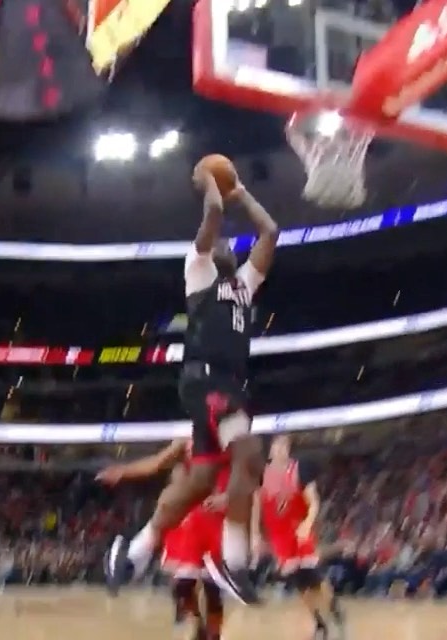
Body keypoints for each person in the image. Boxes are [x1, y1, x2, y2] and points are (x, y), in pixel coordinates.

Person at [105, 161, 278, 604]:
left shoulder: (243, 286)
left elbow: (270, 232)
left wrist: (241, 191)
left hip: (227, 384)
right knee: (249, 454)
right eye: (216, 241)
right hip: (206, 379)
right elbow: (213, 216)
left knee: (201, 479)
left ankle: (135, 551)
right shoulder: (198, 272)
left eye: (226, 243)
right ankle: (234, 563)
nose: (222, 243)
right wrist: (209, 184)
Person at [97, 440, 227, 640]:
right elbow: (156, 463)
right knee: (183, 585)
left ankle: (209, 632)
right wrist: (123, 472)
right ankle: (194, 625)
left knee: (211, 589)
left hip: (213, 515)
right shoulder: (187, 441)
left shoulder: (228, 442)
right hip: (185, 517)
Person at [258, 435, 344, 640]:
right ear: (270, 451)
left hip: (299, 532)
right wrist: (257, 535)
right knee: (300, 583)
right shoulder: (262, 475)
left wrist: (307, 523)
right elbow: (257, 505)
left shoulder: (299, 470)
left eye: (284, 446)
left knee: (314, 576)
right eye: (277, 446)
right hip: (279, 537)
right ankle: (319, 622)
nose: (280, 450)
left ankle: (334, 609)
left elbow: (313, 501)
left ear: (289, 450)